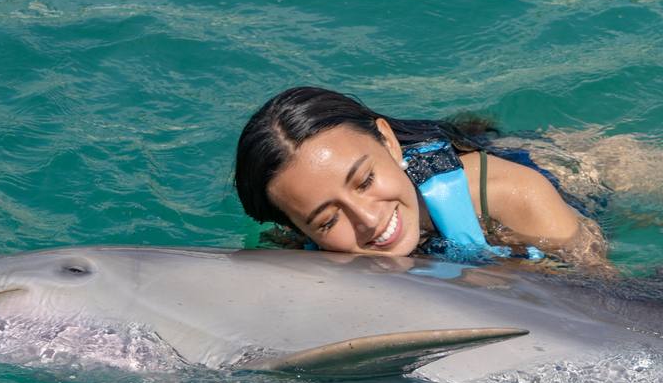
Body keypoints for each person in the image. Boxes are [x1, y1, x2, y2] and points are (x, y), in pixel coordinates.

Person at [234, 86, 610, 270]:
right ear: (299, 230)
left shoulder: (516, 194)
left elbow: (600, 299)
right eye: (328, 220)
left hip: (563, 168)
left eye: (364, 181)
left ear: (389, 142)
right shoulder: (288, 249)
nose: (367, 218)